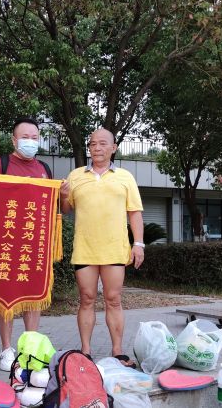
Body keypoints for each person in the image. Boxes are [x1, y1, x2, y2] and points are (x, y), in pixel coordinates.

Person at [60, 128, 144, 368]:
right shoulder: (76, 175)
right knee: (86, 298)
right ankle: (85, 351)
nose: (96, 148)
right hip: (85, 248)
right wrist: (63, 196)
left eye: (102, 143)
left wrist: (138, 244)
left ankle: (117, 351)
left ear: (113, 148)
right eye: (92, 144)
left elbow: (134, 213)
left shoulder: (125, 177)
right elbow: (66, 209)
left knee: (113, 299)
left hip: (114, 248)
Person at [0, 117, 51, 371]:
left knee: (33, 295)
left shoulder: (44, 168)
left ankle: (30, 346)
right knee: (6, 295)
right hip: (6, 241)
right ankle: (6, 350)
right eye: (25, 137)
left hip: (34, 243)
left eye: (34, 138)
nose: (30, 142)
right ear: (14, 140)